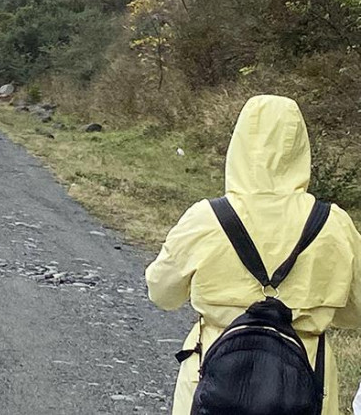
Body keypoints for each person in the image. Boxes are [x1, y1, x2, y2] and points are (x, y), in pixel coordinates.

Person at [147, 95, 361, 415]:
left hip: (213, 371)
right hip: (307, 376)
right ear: (302, 150)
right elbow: (356, 311)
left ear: (239, 146)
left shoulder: (205, 218)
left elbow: (162, 292)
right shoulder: (334, 224)